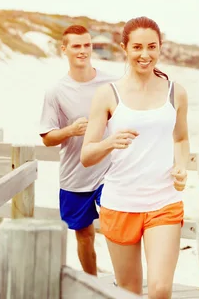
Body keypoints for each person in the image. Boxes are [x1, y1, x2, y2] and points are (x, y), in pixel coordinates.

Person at [80, 16, 189, 298]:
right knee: (128, 291)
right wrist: (109, 143)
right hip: (120, 202)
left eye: (152, 47)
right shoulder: (107, 94)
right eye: (137, 47)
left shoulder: (176, 92)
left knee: (161, 289)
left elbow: (181, 138)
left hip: (164, 201)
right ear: (124, 49)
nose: (145, 55)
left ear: (160, 48)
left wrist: (180, 166)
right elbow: (87, 155)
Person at [39, 24, 117, 276]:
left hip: (110, 171)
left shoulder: (112, 84)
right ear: (64, 50)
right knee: (84, 235)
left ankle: (123, 282)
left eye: (87, 45)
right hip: (75, 175)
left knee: (116, 228)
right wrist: (70, 130)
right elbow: (48, 139)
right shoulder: (55, 92)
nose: (83, 50)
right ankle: (92, 283)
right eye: (76, 46)